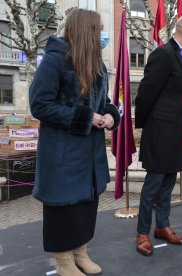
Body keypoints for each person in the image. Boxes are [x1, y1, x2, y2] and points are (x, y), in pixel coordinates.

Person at [29, 9, 120, 276]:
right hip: (62, 153)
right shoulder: (54, 61)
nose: (103, 34)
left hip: (89, 155)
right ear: (86, 30)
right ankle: (63, 262)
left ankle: (80, 252)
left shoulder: (98, 66)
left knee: (84, 207)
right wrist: (85, 117)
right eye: (99, 28)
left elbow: (104, 103)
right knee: (63, 210)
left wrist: (109, 116)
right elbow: (39, 105)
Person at [134, 15, 182, 256]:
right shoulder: (163, 53)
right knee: (153, 184)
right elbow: (146, 92)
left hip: (176, 131)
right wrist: (144, 124)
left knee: (168, 182)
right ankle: (143, 232)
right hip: (161, 130)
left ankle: (162, 226)